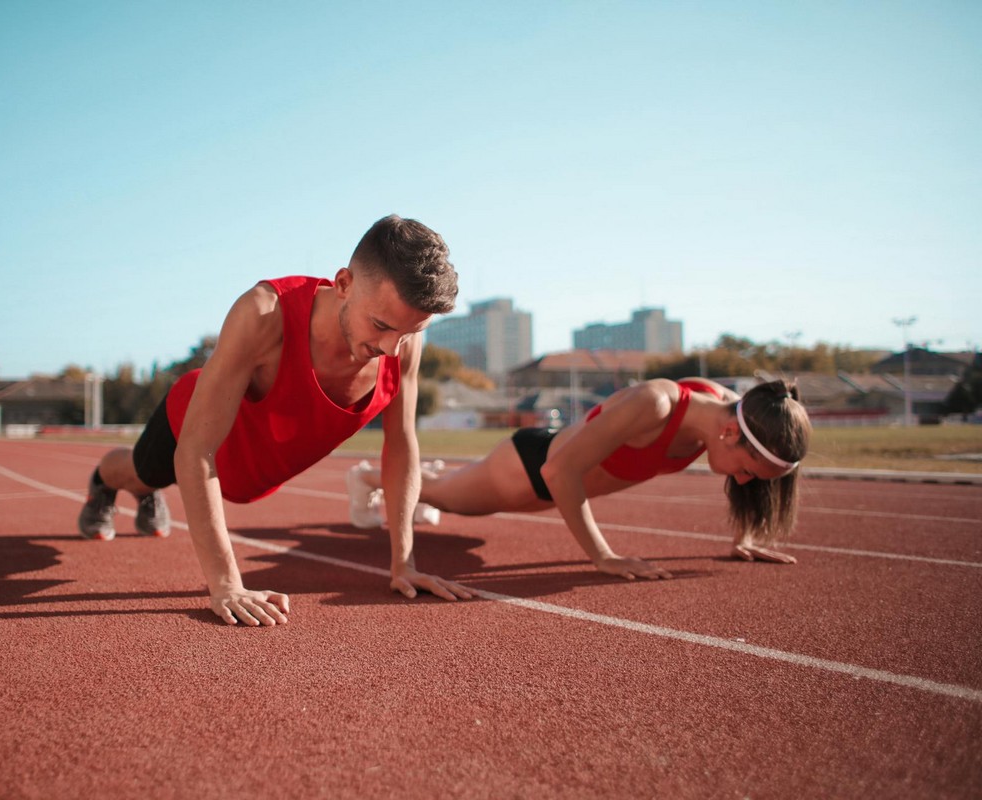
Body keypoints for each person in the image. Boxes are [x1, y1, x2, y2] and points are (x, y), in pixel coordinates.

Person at [78, 214, 473, 626]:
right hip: (197, 427)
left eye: (409, 333)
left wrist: (403, 563)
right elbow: (196, 450)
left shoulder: (402, 337)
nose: (393, 349)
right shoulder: (264, 314)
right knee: (143, 473)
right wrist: (226, 584)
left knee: (173, 481)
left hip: (259, 470)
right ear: (343, 284)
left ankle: (142, 491)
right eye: (380, 326)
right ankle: (105, 484)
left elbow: (401, 443)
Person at [346, 378, 811, 580]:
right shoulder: (657, 404)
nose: (747, 482)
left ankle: (417, 480)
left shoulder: (729, 412)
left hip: (561, 487)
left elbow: (750, 475)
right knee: (449, 501)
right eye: (749, 471)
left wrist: (744, 536)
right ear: (730, 432)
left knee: (447, 500)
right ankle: (368, 478)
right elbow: (558, 470)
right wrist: (603, 557)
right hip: (532, 467)